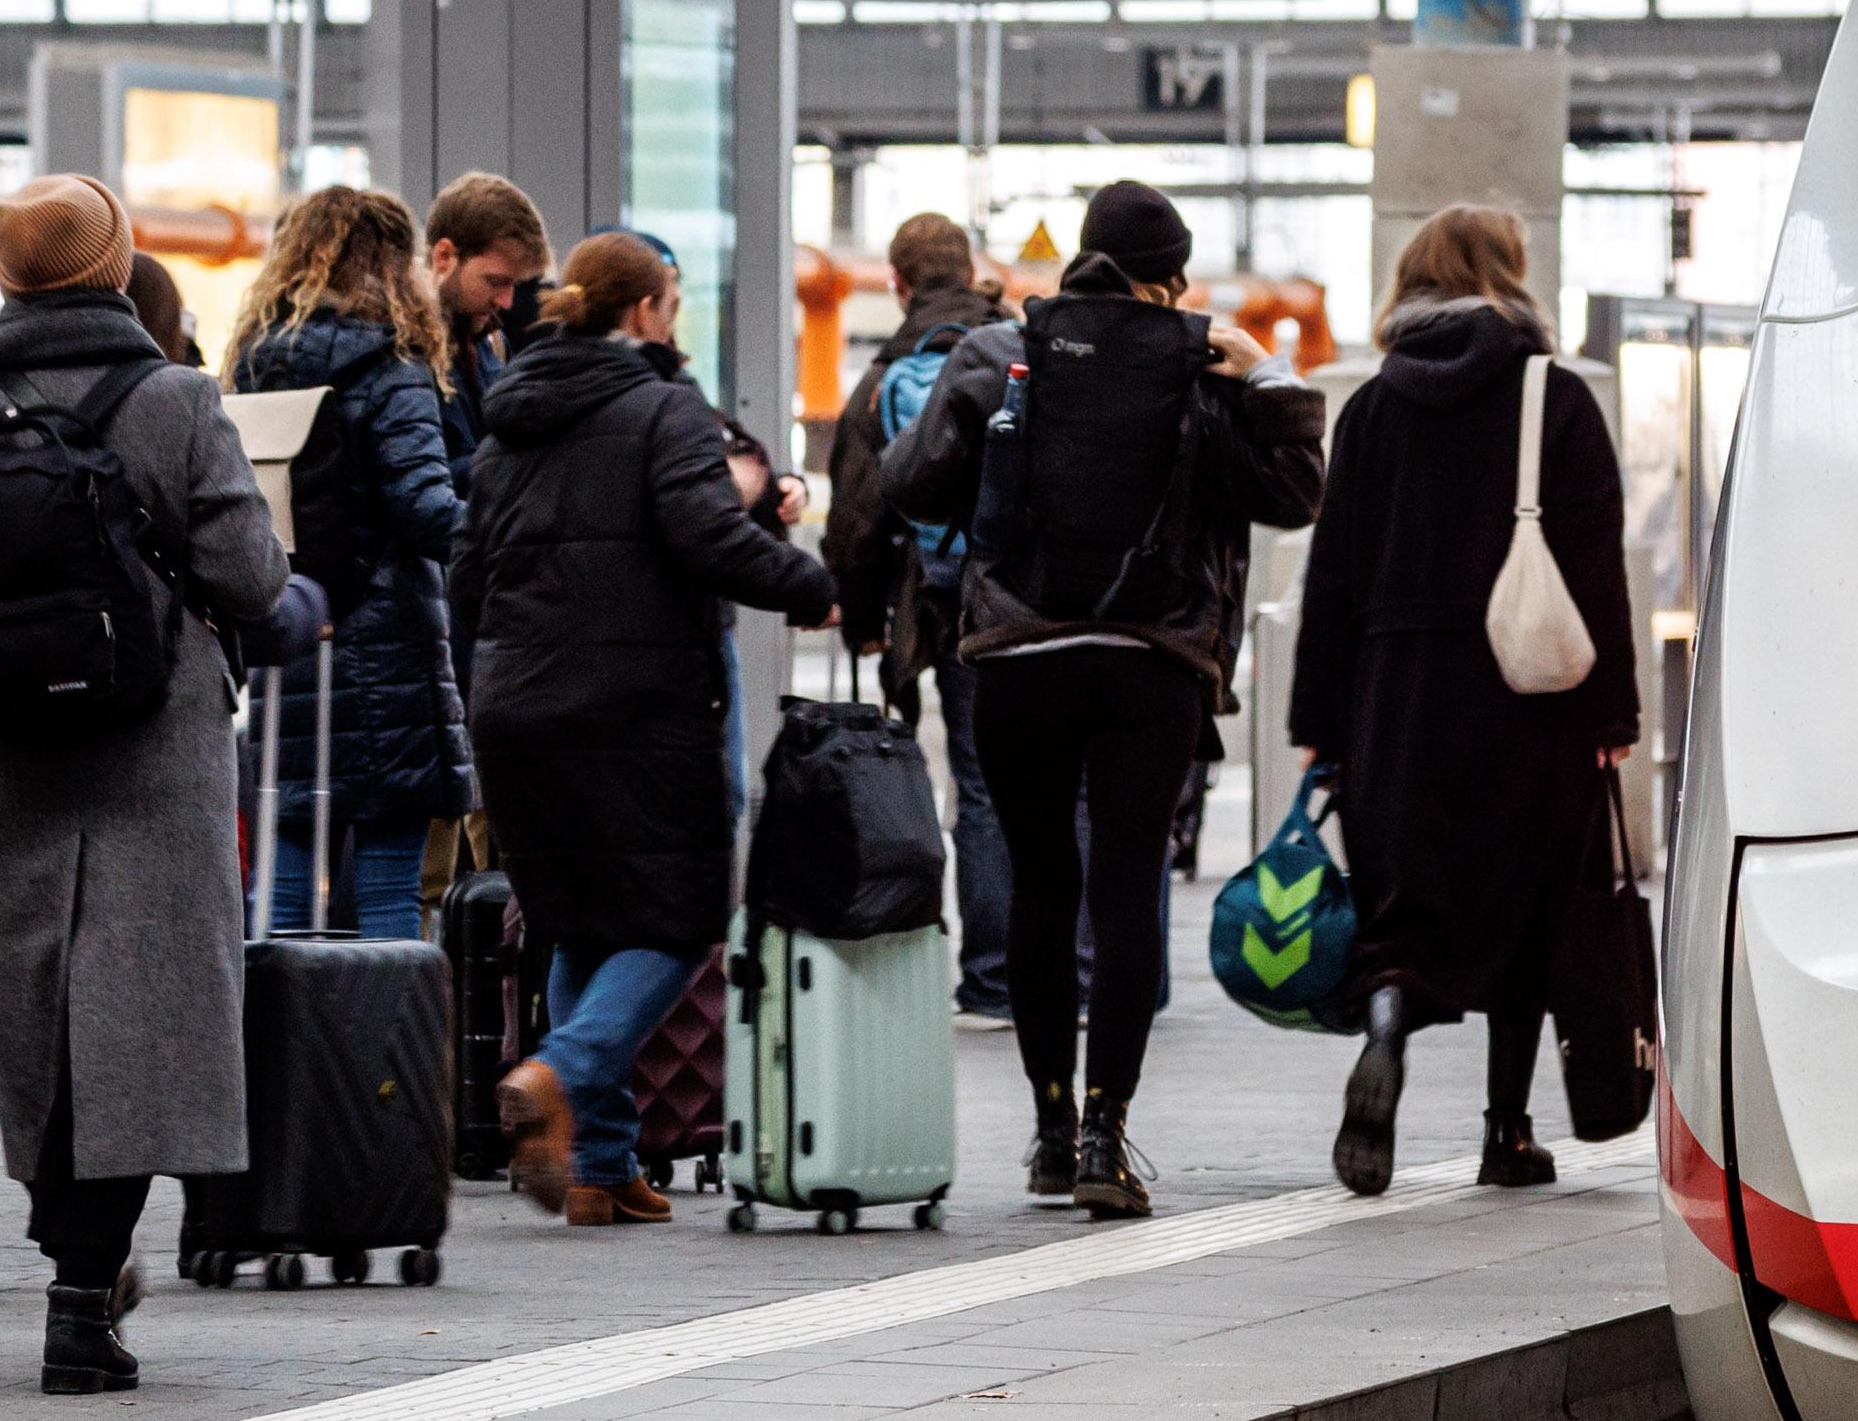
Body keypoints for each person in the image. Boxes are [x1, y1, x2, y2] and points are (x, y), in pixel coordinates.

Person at [0, 175, 298, 1393]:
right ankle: (81, 1292)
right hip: (152, 750)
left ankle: (65, 1247)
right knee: (139, 1019)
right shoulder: (176, 400)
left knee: (34, 1018)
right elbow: (251, 579)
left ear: (4, 278)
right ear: (117, 270)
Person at [877, 180, 1324, 1218]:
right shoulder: (1205, 358)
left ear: (1081, 258)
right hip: (1150, 661)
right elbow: (1300, 492)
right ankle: (1100, 1139)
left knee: (1041, 883)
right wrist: (1264, 371)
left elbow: (909, 483)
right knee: (1125, 891)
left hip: (1018, 653)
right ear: (1169, 273)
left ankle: (1040, 1128)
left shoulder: (999, 353)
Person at [454, 232, 834, 1224]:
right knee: (679, 918)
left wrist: (484, 688)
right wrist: (815, 588)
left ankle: (599, 1167)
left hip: (514, 709)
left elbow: (462, 576)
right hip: (631, 706)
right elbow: (708, 536)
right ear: (646, 313)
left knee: (580, 916)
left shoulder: (507, 427)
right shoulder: (662, 410)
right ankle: (558, 1073)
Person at [1288, 207, 1642, 1197]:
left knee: (1402, 911)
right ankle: (1506, 1131)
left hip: (1395, 698)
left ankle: (1391, 1020)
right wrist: (1612, 713)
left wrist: (1320, 723)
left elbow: (1333, 578)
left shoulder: (1369, 408)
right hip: (1526, 700)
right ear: (1509, 276)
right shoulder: (1554, 398)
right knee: (1526, 907)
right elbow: (1594, 567)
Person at [227, 187, 474, 938]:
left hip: (290, 637)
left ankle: (281, 1055)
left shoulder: (255, 364)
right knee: (391, 895)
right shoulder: (392, 364)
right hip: (387, 655)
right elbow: (426, 510)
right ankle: (382, 1059)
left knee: (285, 887)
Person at [824, 212, 1013, 1018]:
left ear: (898, 282)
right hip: (1007, 597)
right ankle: (1011, 971)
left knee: (945, 782)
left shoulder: (883, 377)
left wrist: (859, 618)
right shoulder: (1016, 352)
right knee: (1003, 783)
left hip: (920, 600)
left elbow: (860, 513)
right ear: (969, 270)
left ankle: (971, 969)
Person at [425, 172, 553, 461]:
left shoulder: (491, 340)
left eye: (514, 285)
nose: (506, 302)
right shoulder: (403, 348)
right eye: (495, 282)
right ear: (444, 257)